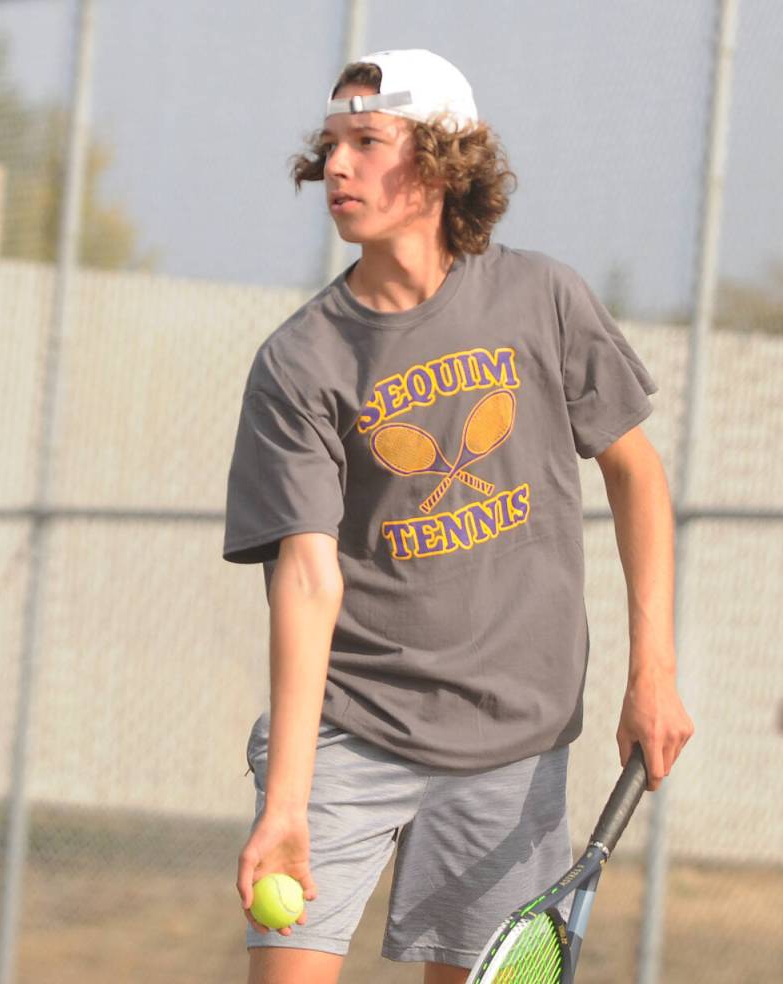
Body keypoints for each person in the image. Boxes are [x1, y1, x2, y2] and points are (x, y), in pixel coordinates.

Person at [222, 48, 693, 984]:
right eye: (331, 146)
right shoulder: (299, 362)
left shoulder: (544, 299)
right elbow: (309, 576)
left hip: (510, 747)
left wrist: (654, 674)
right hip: (348, 737)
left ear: (440, 162)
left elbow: (638, 477)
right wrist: (286, 801)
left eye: (367, 141)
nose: (339, 168)